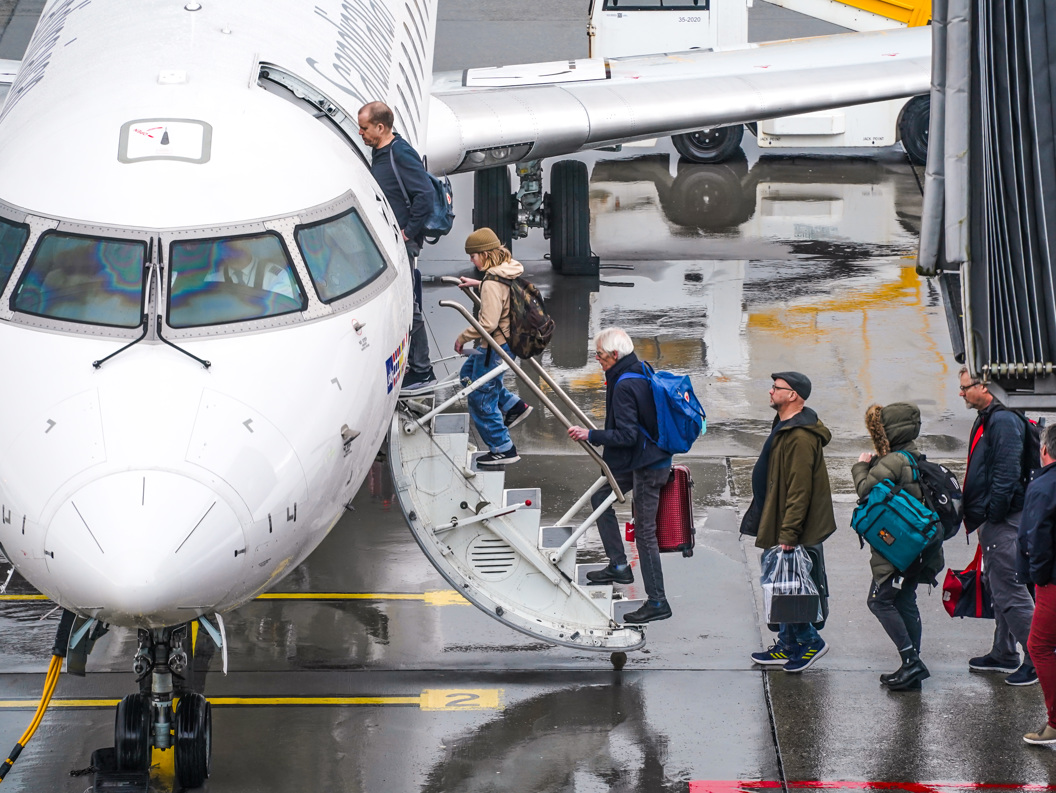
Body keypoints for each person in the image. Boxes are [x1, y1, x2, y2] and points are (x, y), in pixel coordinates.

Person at [567, 327, 672, 623]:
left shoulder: (625, 384)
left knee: (644, 534)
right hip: (643, 458)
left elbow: (626, 435)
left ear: (614, 355)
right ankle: (618, 565)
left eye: (599, 355)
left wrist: (591, 434)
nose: (597, 360)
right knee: (601, 497)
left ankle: (658, 601)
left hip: (648, 466)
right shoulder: (637, 368)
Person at [742, 372, 837, 672]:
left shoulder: (800, 436)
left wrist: (789, 533)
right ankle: (787, 643)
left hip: (792, 524)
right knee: (782, 582)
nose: (770, 392)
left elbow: (800, 489)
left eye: (776, 388)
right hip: (778, 516)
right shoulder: (786, 425)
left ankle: (811, 641)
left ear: (793, 395)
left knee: (794, 584)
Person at [851, 402, 944, 690]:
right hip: (919, 549)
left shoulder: (892, 461)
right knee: (904, 600)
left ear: (889, 431)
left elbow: (865, 491)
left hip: (898, 551)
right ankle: (911, 668)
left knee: (879, 601)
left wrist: (861, 466)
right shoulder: (913, 455)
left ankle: (911, 662)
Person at [959, 365, 1038, 686]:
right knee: (998, 583)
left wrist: (992, 514)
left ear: (986, 386)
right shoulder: (993, 415)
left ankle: (1038, 660)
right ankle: (1004, 652)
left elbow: (1006, 474)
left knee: (1010, 590)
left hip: (1004, 519)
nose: (961, 393)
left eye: (965, 387)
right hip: (1000, 518)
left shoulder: (1003, 420)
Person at [357, 100, 436, 393]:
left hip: (401, 242)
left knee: (408, 306)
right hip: (389, 239)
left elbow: (424, 194)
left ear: (381, 127)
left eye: (364, 128)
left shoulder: (399, 153)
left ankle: (422, 371)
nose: (361, 133)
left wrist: (407, 233)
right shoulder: (379, 151)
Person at [454, 228, 532, 466]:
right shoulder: (506, 270)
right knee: (467, 375)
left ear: (486, 254)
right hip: (508, 343)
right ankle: (513, 405)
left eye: (474, 255)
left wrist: (463, 337)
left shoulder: (492, 281)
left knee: (480, 396)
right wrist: (479, 283)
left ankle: (503, 448)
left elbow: (487, 324)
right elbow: (500, 290)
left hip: (495, 347)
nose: (471, 260)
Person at [1021, 425, 1056, 743]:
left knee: (1040, 646)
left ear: (1045, 451)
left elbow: (1037, 537)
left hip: (1053, 582)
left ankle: (1055, 723)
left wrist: (1038, 577)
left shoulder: (1045, 485)